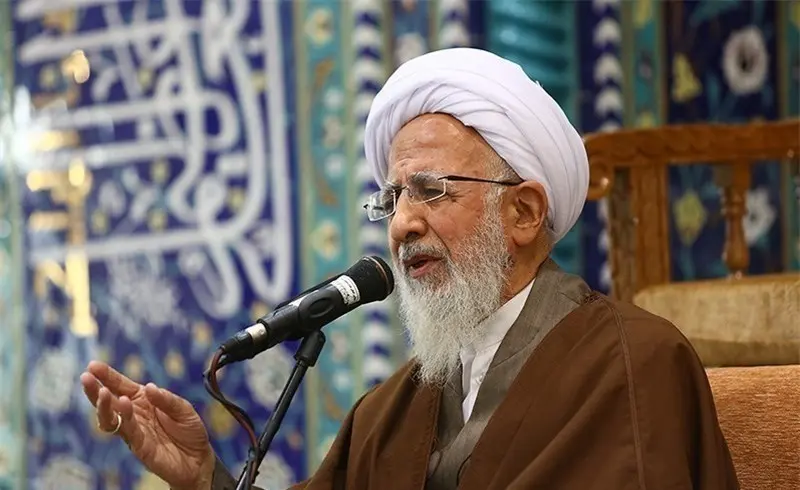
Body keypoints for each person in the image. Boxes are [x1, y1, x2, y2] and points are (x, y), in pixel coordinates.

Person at [80, 48, 739, 490]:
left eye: (429, 191)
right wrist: (204, 478)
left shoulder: (633, 365)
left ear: (524, 212)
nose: (401, 224)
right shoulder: (389, 412)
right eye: (392, 199)